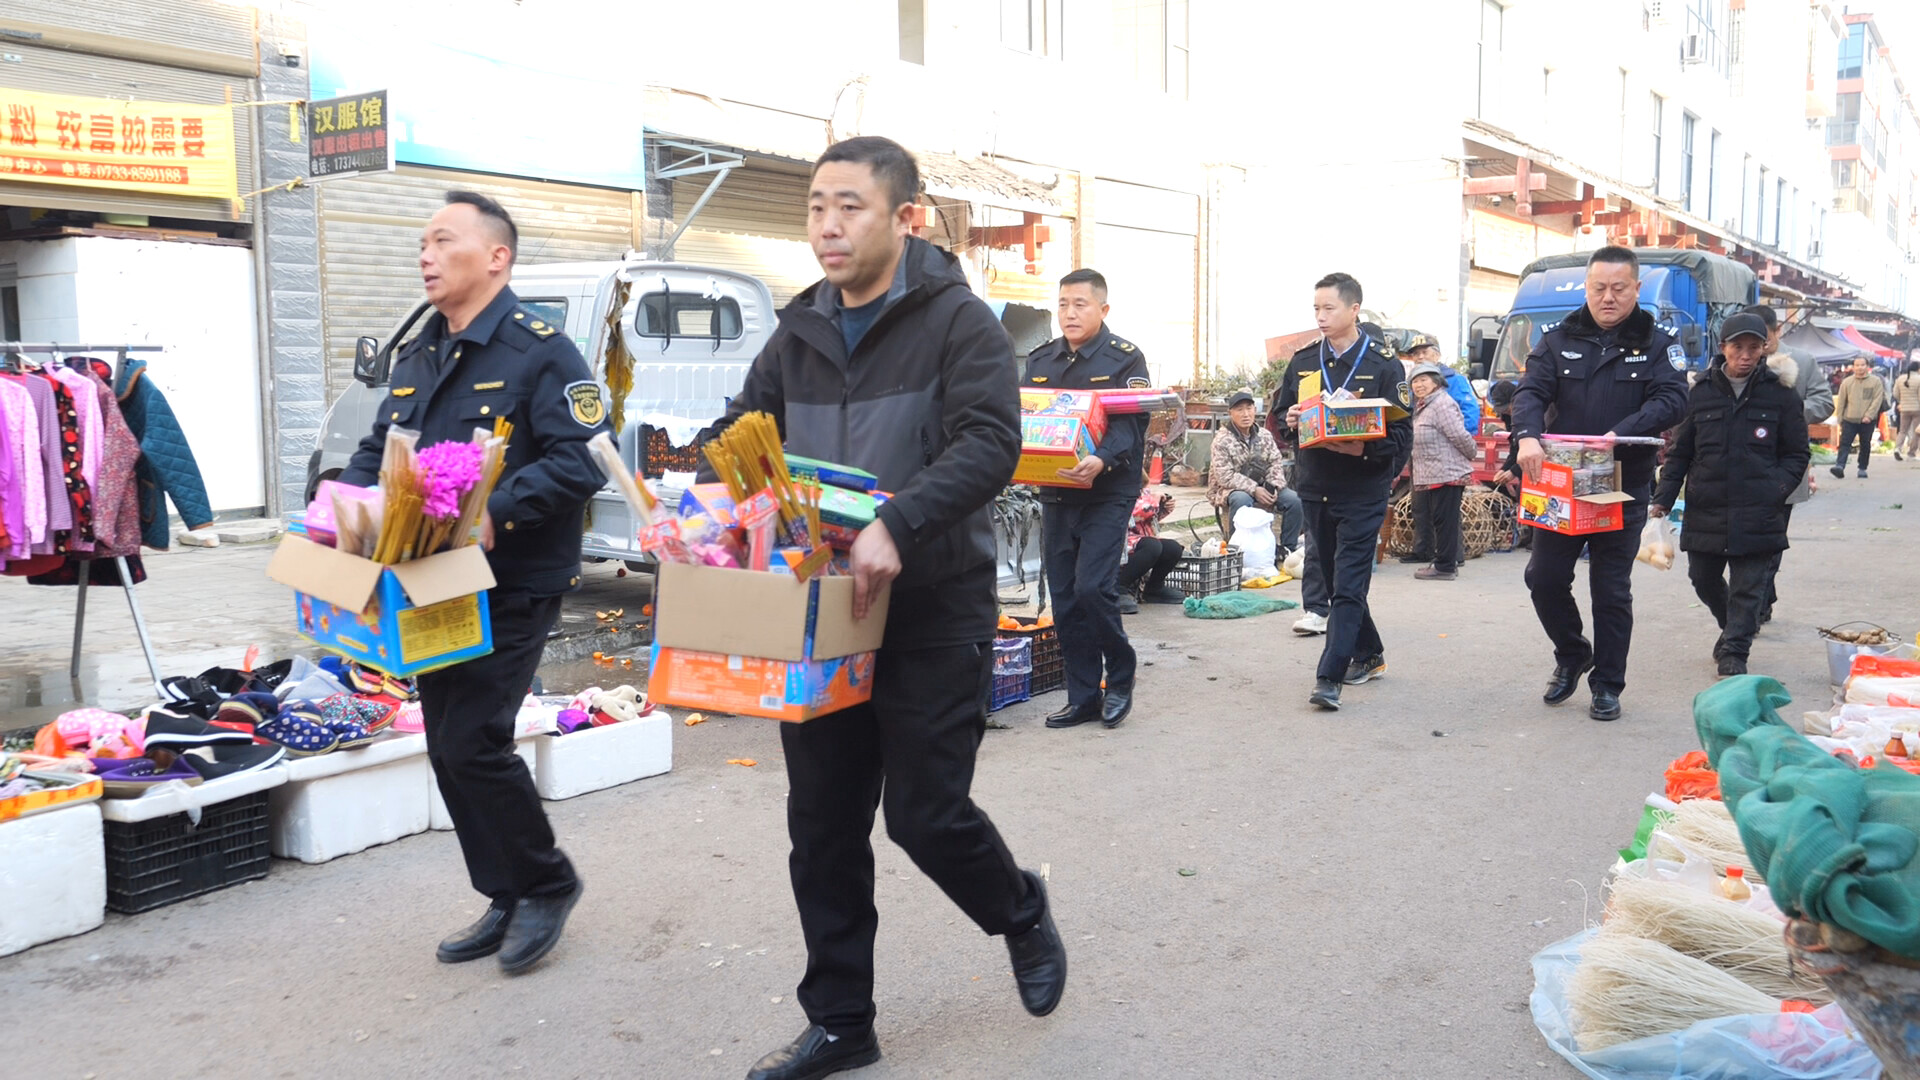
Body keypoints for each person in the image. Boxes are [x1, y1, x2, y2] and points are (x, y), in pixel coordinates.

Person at [700, 137, 1064, 1080]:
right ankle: (841, 1021)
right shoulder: (798, 331)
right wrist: (694, 482)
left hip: (932, 605)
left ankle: (1018, 907)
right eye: (817, 205)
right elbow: (748, 430)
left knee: (924, 814)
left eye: (849, 206)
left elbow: (989, 444)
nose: (827, 223)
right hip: (822, 613)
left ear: (904, 217)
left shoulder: (959, 324)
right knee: (821, 822)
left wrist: (899, 525)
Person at [337, 191, 600, 973]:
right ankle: (508, 891)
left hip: (511, 576)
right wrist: (335, 515)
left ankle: (548, 883)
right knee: (448, 748)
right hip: (427, 580)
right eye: (421, 241)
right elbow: (378, 447)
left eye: (442, 239)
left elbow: (579, 461)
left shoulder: (541, 350)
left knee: (473, 740)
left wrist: (497, 513)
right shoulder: (421, 353)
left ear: (496, 256)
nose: (424, 254)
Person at [1510, 245, 1687, 722]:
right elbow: (1530, 392)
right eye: (1599, 288)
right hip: (1563, 483)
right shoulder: (1557, 338)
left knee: (1610, 590)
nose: (1608, 298)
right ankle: (1572, 653)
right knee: (1542, 579)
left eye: (1619, 288)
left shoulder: (1658, 342)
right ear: (1588, 287)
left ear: (1636, 288)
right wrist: (1526, 436)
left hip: (1623, 482)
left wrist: (1623, 431)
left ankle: (1607, 684)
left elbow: (1674, 398)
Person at [1274, 272, 1413, 710]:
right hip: (1315, 486)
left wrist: (1361, 448)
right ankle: (1368, 653)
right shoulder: (1302, 361)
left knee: (1350, 583)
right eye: (1316, 308)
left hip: (1362, 488)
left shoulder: (1384, 364)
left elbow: (1402, 436)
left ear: (1354, 309)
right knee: (1335, 582)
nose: (1320, 316)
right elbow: (1278, 418)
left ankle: (1328, 676)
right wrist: (1291, 421)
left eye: (1329, 308)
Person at [1024, 269, 1150, 731]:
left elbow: (1132, 424)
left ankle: (1119, 676)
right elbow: (1029, 424)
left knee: (1092, 587)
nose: (1069, 313)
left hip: (1107, 490)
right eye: (1062, 304)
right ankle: (1082, 696)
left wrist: (1100, 459)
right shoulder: (1041, 361)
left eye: (1079, 304)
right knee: (1064, 597)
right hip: (1057, 490)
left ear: (1103, 309)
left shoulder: (1124, 359)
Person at [1651, 313, 1810, 677]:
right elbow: (1680, 452)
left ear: (1764, 349)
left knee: (1749, 587)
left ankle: (1735, 651)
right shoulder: (1701, 392)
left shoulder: (1780, 394)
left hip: (1760, 508)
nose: (1746, 355)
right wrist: (1663, 498)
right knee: (1702, 578)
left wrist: (1778, 488)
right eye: (1738, 347)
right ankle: (1732, 627)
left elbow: (1797, 451)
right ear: (1723, 348)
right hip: (1708, 505)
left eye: (1754, 347)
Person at [1750, 303, 1833, 625]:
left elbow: (1823, 401)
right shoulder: (1739, 362)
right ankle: (1760, 596)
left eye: (1762, 336)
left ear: (1777, 331)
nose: (1754, 346)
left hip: (1783, 467)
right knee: (1744, 542)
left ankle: (1756, 604)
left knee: (1771, 537)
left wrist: (1788, 415)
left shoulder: (1801, 361)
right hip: (1741, 470)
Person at [1208, 387, 1300, 555]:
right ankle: (1236, 552)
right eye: (1239, 409)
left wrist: (1272, 487)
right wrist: (1254, 489)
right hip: (1230, 489)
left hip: (1263, 486)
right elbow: (1224, 476)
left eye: (1249, 408)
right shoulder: (1221, 440)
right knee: (1241, 500)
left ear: (1255, 410)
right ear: (1230, 413)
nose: (1245, 414)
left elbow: (1275, 462)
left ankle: (1288, 549)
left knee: (1295, 501)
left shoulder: (1265, 435)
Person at [1405, 363, 1476, 581]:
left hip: (1447, 470)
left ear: (1436, 382)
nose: (1419, 385)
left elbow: (1459, 435)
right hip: (1434, 472)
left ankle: (1445, 566)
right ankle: (1443, 562)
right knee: (1439, 519)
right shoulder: (1424, 405)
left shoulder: (1442, 404)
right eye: (1415, 381)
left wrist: (1471, 453)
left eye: (1424, 380)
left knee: (1445, 520)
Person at [1116, 487, 1185, 613]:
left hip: (1140, 538)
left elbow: (1147, 518)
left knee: (1172, 548)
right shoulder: (1116, 489)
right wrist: (1153, 502)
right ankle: (1118, 588)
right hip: (1119, 542)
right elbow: (1135, 513)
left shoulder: (1143, 491)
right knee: (1152, 546)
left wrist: (1163, 507)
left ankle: (1154, 588)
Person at [1830, 355, 1886, 479]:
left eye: (1862, 365)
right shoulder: (1847, 382)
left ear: (1867, 366)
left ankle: (1862, 468)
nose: (1860, 367)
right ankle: (1840, 466)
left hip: (1867, 421)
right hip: (1849, 419)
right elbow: (1841, 401)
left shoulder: (1875, 381)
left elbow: (1877, 400)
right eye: (1857, 365)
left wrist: (1869, 415)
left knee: (1865, 444)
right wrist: (1840, 418)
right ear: (1853, 367)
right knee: (1845, 443)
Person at [1892, 360, 1920, 461]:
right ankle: (1911, 453)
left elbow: (1895, 393)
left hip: (1904, 409)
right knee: (1916, 432)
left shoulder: (1900, 378)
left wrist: (1901, 401)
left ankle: (1897, 449)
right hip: (1917, 409)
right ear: (1918, 369)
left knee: (1902, 430)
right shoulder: (1919, 379)